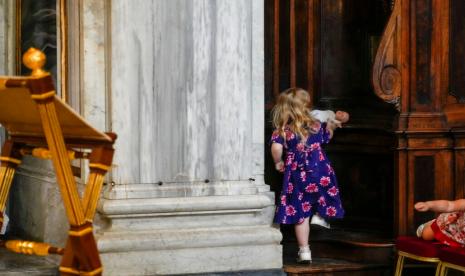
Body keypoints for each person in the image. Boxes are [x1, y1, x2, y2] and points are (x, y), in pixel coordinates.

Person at [270, 87, 345, 263]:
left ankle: (304, 251)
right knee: (326, 192)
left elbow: (276, 148)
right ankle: (320, 216)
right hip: (320, 169)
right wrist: (332, 125)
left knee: (300, 212)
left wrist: (278, 162)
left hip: (297, 174)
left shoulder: (282, 130)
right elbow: (328, 136)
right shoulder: (316, 126)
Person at [294, 89, 349, 229]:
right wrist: (330, 128)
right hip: (317, 163)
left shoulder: (290, 126)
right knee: (326, 188)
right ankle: (320, 216)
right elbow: (324, 139)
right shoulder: (316, 124)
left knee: (303, 194)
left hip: (297, 165)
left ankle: (304, 218)